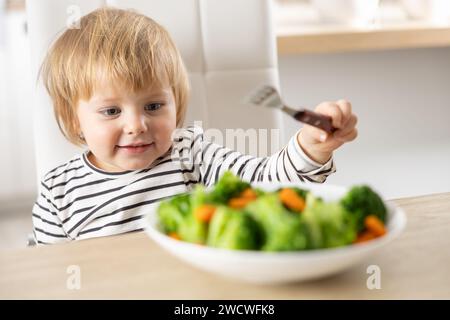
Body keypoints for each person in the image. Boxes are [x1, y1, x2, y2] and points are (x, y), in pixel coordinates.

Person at [32, 7, 357, 245]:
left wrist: (311, 146)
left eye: (154, 106)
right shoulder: (58, 191)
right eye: (111, 111)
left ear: (176, 104)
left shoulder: (190, 154)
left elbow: (264, 181)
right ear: (75, 119)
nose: (136, 125)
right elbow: (47, 272)